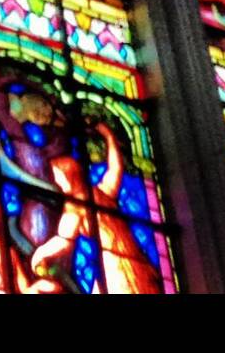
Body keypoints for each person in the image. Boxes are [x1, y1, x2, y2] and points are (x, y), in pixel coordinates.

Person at [28, 123, 162, 294]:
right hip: (135, 259)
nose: (57, 182)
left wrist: (40, 253)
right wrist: (109, 136)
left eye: (58, 177)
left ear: (69, 177)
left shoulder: (76, 206)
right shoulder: (103, 191)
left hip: (115, 265)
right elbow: (116, 167)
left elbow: (63, 241)